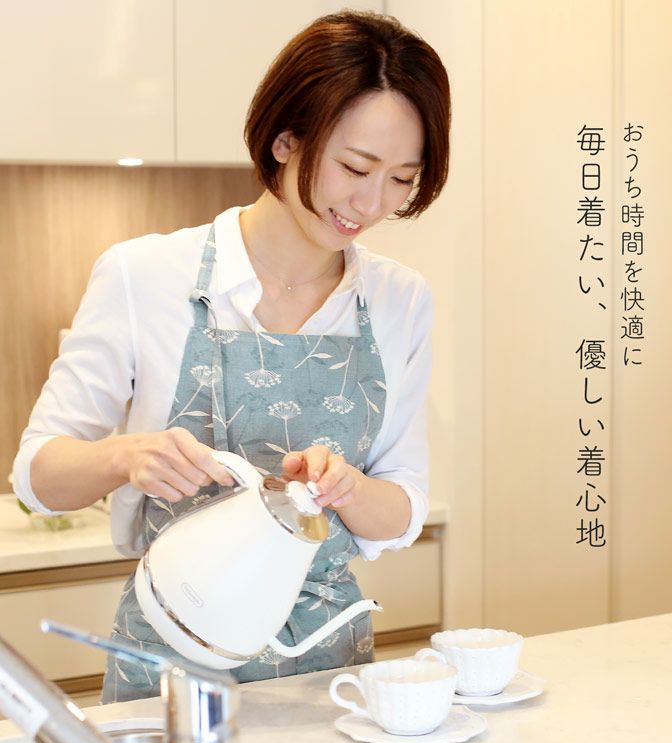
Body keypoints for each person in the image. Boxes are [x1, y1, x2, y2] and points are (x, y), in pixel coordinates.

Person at [12, 10, 451, 702]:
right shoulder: (143, 275)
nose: (370, 203)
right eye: (355, 167)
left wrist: (347, 489)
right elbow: (37, 477)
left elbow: (402, 509)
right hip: (172, 662)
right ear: (285, 139)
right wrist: (127, 456)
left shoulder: (400, 299)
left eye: (402, 178)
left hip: (325, 666)